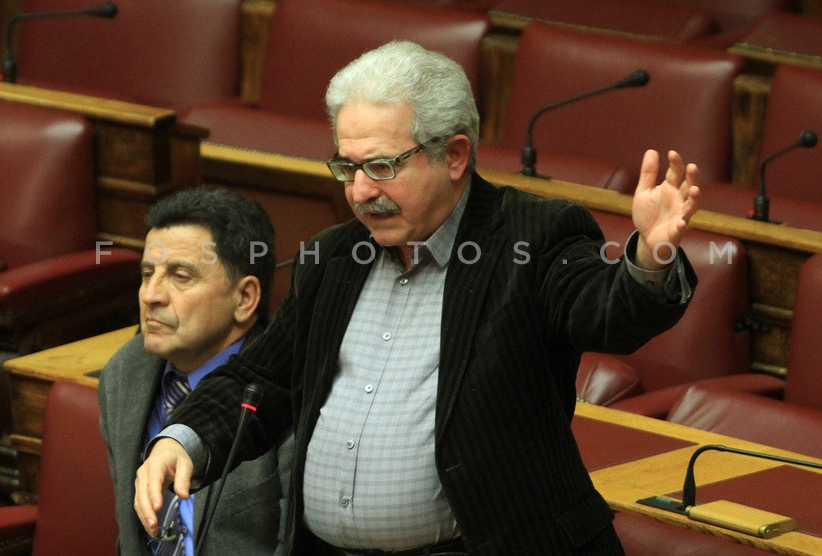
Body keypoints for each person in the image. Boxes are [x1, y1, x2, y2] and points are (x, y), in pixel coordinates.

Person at [134, 40, 701, 555]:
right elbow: (260, 381)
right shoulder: (333, 258)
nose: (360, 192)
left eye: (382, 167)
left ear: (454, 155)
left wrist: (649, 256)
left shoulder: (531, 236)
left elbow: (605, 311)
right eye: (347, 167)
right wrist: (183, 441)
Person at [99, 187, 293, 555]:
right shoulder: (126, 373)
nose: (150, 295)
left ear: (245, 298)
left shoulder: (286, 391)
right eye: (147, 274)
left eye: (180, 276)